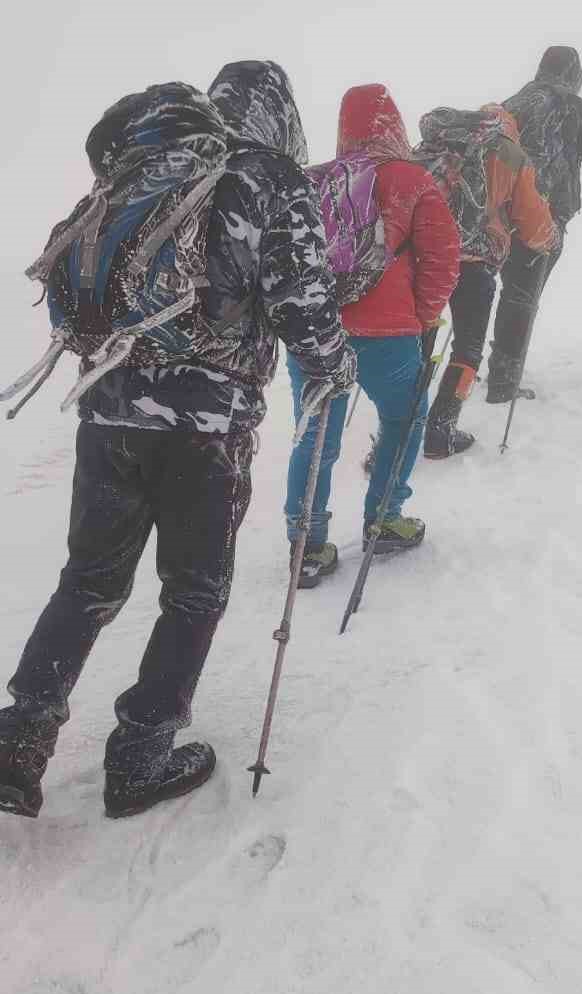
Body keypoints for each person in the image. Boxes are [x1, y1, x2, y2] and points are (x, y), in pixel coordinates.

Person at [0, 61, 355, 820]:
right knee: (193, 590)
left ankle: (18, 739)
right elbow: (302, 300)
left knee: (88, 579)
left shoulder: (154, 162)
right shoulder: (270, 174)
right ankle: (141, 753)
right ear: (279, 113)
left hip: (109, 405)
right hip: (207, 427)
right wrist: (335, 365)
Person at [284, 83, 460, 586]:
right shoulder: (410, 179)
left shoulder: (314, 182)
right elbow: (443, 259)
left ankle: (307, 543)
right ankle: (384, 518)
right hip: (390, 334)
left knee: (315, 433)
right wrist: (420, 316)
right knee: (403, 419)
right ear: (395, 123)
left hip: (317, 333)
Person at [414, 105, 556, 457]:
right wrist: (551, 236)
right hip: (474, 264)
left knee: (419, 342)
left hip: (425, 257)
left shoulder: (438, 142)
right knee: (467, 347)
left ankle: (399, 427)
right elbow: (532, 224)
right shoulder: (511, 153)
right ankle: (440, 430)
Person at [490, 44, 582, 401]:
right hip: (544, 216)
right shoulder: (577, 108)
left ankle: (485, 365)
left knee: (510, 288)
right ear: (574, 73)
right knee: (523, 294)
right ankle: (503, 379)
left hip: (501, 213)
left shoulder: (512, 103)